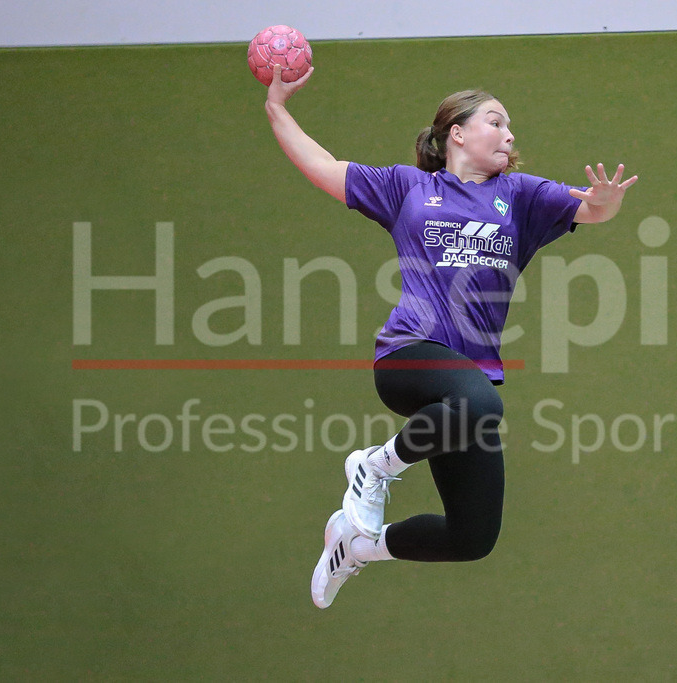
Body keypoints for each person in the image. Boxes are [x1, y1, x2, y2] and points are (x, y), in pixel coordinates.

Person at [263, 64, 638, 609]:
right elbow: (322, 164)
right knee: (481, 403)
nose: (509, 134)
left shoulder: (522, 196)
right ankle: (373, 467)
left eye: (511, 127)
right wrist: (277, 108)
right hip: (408, 355)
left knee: (472, 537)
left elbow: (594, 208)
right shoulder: (407, 188)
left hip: (467, 387)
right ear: (456, 133)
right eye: (496, 121)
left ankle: (358, 548)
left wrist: (608, 198)